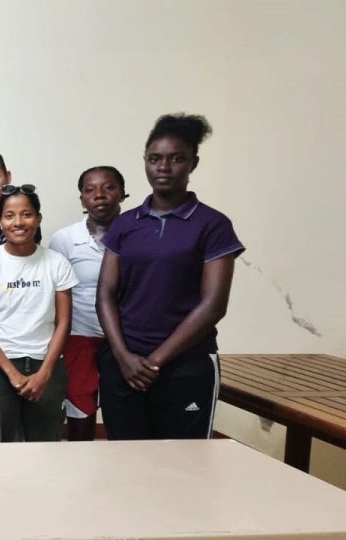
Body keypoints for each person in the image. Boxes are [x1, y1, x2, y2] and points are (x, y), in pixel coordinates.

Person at [97, 113, 244, 440]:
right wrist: (123, 357)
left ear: (193, 162)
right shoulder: (126, 223)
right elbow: (105, 293)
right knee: (124, 463)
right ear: (145, 162)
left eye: (177, 159)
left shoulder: (212, 225)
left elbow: (213, 305)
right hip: (124, 365)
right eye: (155, 159)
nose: (164, 167)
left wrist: (155, 362)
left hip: (185, 366)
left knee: (185, 468)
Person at [0, 184, 76, 442]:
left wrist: (45, 373)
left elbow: (63, 322)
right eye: (9, 215)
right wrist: (12, 374)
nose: (18, 222)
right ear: (1, 222)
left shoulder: (57, 263)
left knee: (46, 444)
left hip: (45, 364)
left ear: (38, 219)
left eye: (26, 214)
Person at [48, 166, 127, 441]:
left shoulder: (137, 233)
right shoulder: (65, 239)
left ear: (122, 193)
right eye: (90, 190)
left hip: (125, 342)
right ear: (82, 199)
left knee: (123, 418)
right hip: (79, 340)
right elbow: (55, 295)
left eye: (108, 187)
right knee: (81, 420)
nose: (100, 195)